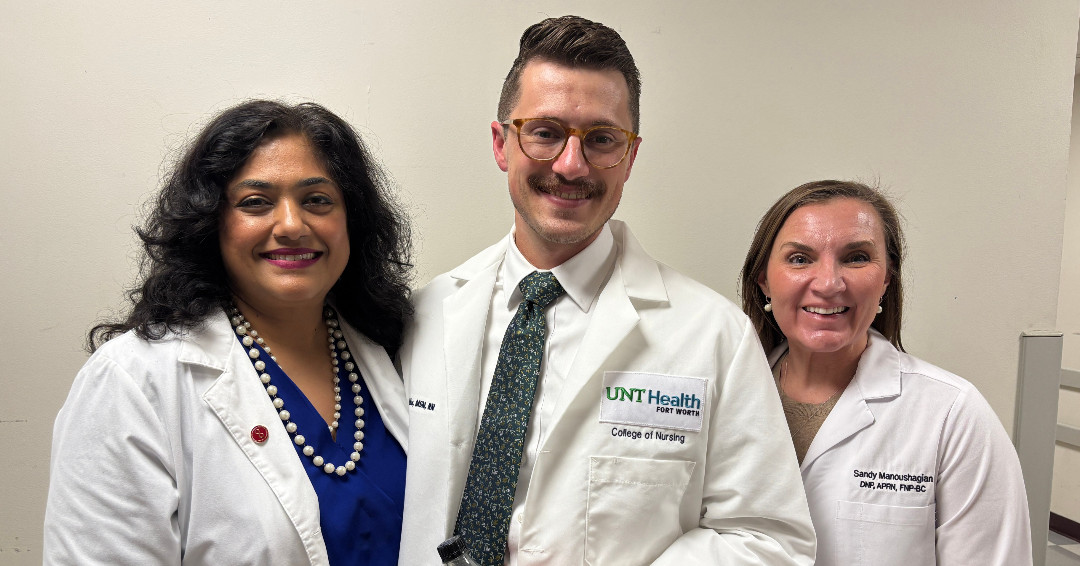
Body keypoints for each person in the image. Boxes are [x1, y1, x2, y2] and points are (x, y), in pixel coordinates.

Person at [399, 15, 815, 566]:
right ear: (502, 144)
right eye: (544, 133)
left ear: (631, 156)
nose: (571, 166)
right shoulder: (423, 316)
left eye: (601, 140)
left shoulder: (713, 336)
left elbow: (770, 539)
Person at [44, 100, 413, 565]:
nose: (292, 225)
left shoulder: (393, 349)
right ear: (210, 224)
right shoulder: (132, 382)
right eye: (255, 202)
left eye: (317, 200)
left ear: (352, 221)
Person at [739, 180, 1032, 566]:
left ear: (887, 279)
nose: (828, 283)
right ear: (764, 279)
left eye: (856, 257)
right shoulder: (729, 398)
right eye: (799, 259)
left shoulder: (953, 415)